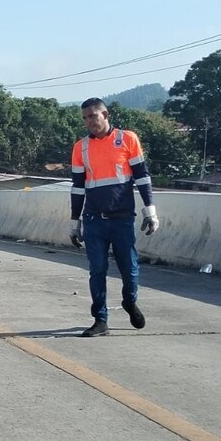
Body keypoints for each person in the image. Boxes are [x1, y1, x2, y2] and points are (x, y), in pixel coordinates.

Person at [69, 98, 159, 337]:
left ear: (105, 115)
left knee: (129, 268)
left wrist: (150, 210)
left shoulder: (127, 139)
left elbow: (141, 176)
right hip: (94, 219)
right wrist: (74, 221)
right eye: (85, 118)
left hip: (122, 219)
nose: (89, 121)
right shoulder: (81, 147)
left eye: (93, 116)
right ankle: (100, 319)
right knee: (97, 270)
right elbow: (78, 186)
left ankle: (130, 301)